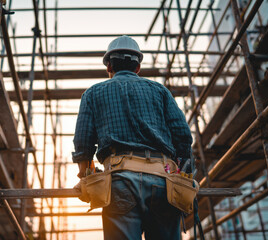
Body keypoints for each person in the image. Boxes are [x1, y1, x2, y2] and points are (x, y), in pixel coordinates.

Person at [72, 35, 193, 240]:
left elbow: (83, 142)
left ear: (109, 65)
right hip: (163, 181)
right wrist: (182, 173)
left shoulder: (93, 93)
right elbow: (182, 136)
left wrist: (85, 176)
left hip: (120, 182)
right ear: (138, 67)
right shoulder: (159, 90)